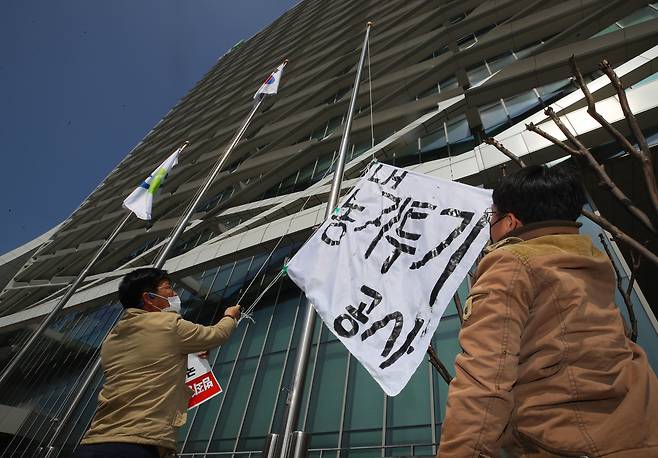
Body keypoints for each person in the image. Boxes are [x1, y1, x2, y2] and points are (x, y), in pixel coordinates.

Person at [438, 165, 658, 457]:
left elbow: (483, 377)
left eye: (491, 217)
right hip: (638, 431)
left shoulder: (511, 264)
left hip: (565, 441)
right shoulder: (591, 260)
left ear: (509, 222)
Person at [75, 268, 241, 458]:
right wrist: (229, 316)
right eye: (168, 288)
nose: (175, 293)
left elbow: (148, 365)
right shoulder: (168, 325)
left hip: (95, 440)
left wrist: (188, 352)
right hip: (139, 443)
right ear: (149, 298)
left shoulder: (111, 339)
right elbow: (216, 335)